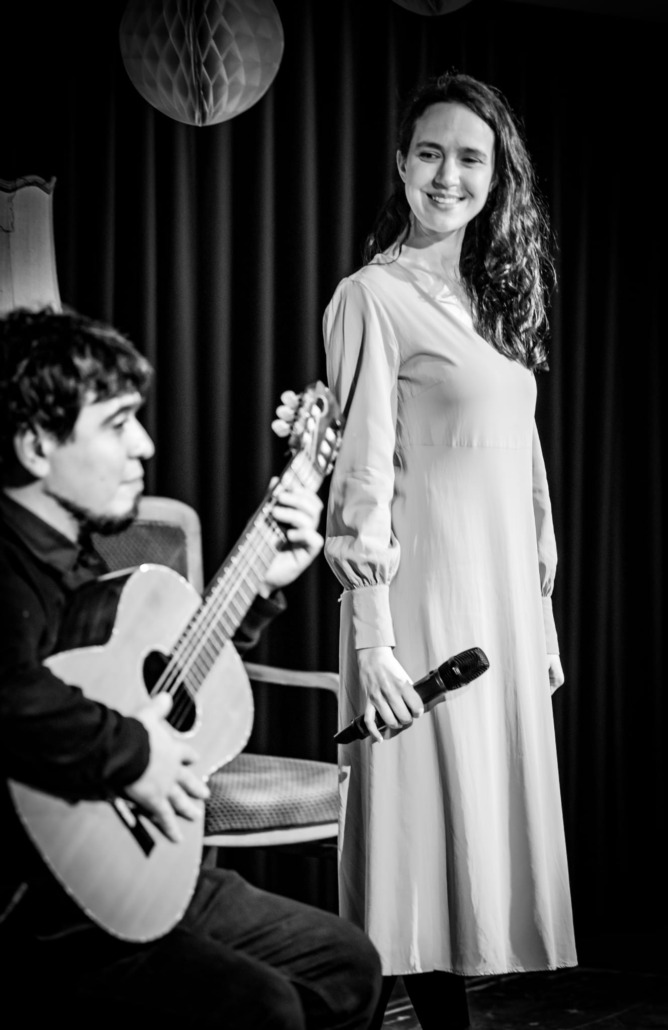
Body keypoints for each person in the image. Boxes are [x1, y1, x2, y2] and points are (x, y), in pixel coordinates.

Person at [277, 70, 577, 1029]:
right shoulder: (370, 296)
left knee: (478, 852)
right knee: (417, 852)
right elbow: (360, 478)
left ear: (497, 177)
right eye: (431, 153)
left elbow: (526, 474)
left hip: (501, 608)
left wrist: (539, 617)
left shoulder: (498, 300)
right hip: (418, 609)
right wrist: (371, 640)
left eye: (470, 158)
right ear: (402, 165)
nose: (449, 175)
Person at [0, 306, 382, 1029]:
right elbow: (12, 696)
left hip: (141, 865)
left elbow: (161, 684)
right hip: (42, 908)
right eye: (117, 423)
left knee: (347, 967)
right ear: (36, 445)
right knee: (263, 1008)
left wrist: (261, 587)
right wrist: (134, 752)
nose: (144, 444)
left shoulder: (81, 562)